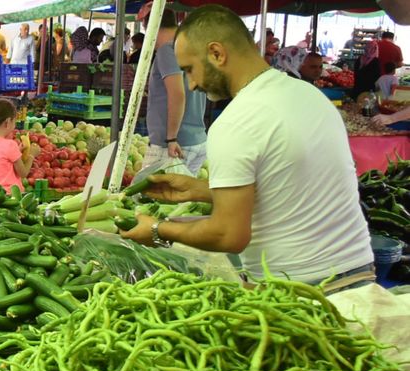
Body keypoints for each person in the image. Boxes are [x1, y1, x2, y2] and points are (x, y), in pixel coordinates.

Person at [121, 5, 374, 290]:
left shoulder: (237, 122)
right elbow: (291, 188)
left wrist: (157, 230)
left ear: (217, 53)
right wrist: (201, 190)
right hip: (358, 274)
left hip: (300, 289)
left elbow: (228, 235)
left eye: (190, 70)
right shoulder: (310, 96)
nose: (191, 84)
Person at [142, 8, 207, 175]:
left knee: (144, 198)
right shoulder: (192, 48)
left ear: (150, 27)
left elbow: (177, 93)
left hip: (174, 145)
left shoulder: (167, 50)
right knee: (181, 200)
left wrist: (171, 138)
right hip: (196, 139)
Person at [0, 98, 37, 193]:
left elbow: (1, 159)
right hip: (9, 196)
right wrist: (32, 156)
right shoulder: (10, 145)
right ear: (8, 122)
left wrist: (18, 151)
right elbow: (23, 173)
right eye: (14, 121)